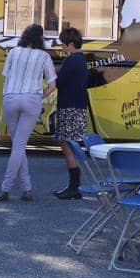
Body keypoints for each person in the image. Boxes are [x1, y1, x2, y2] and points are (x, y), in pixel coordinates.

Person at [0, 24, 56, 202]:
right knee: (19, 146)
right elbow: (52, 85)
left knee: (17, 145)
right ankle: (6, 188)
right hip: (31, 100)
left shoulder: (13, 52)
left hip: (11, 98)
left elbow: (6, 78)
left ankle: (27, 188)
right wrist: (40, 97)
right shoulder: (44, 56)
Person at [53, 27, 89, 200]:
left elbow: (59, 82)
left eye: (64, 44)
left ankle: (74, 186)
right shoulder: (82, 60)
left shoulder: (71, 60)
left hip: (69, 107)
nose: (62, 48)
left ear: (70, 44)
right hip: (79, 107)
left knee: (67, 146)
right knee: (74, 146)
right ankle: (75, 185)